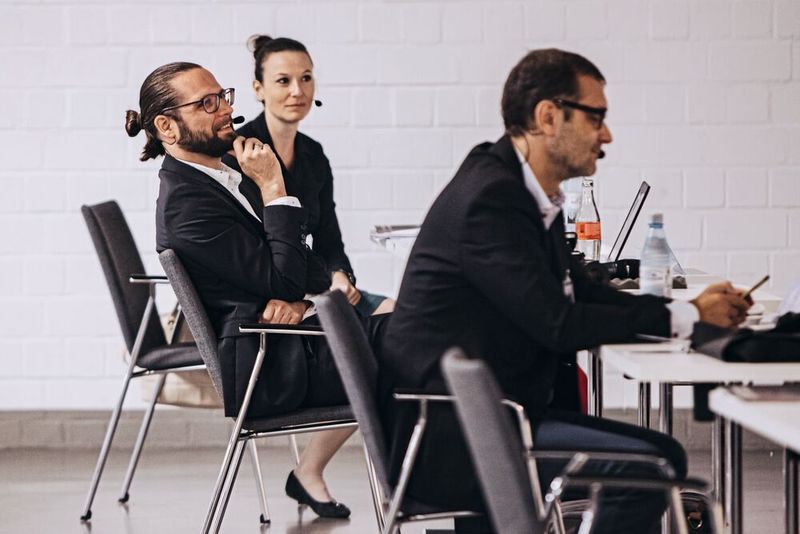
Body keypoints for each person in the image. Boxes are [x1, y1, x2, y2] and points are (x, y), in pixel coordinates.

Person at [380, 49, 751, 533]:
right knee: (653, 466)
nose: (607, 135)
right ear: (548, 117)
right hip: (458, 439)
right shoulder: (494, 197)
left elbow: (576, 293)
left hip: (480, 417)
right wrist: (684, 319)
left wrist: (684, 310)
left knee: (661, 456)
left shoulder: (518, 185)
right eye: (596, 117)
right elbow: (558, 323)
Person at [126, 61, 388, 518]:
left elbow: (303, 270)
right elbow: (290, 274)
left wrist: (298, 295)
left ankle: (452, 495)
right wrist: (273, 184)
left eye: (223, 95)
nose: (226, 108)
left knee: (430, 334)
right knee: (430, 338)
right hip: (274, 363)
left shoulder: (222, 171)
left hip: (298, 336)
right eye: (207, 103)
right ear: (167, 126)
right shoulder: (187, 207)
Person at [223, 34, 394, 317]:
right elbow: (244, 256)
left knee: (395, 314)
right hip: (272, 300)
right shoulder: (238, 153)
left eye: (305, 78)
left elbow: (329, 237)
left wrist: (340, 275)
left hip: (314, 287)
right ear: (258, 89)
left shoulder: (313, 155)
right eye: (283, 81)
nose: (297, 91)